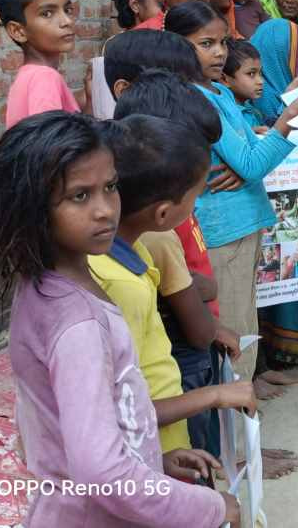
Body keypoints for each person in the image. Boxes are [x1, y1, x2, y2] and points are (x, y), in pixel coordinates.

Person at [0, 111, 236, 526]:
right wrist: (212, 507)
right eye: (80, 196)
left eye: (111, 187)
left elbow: (74, 428)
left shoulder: (45, 286)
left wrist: (152, 460)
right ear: (33, 207)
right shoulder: (77, 323)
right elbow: (103, 475)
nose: (105, 210)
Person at [164, 0, 298, 384]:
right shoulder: (195, 98)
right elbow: (252, 164)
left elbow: (247, 156)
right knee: (234, 327)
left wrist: (251, 153)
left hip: (242, 220)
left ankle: (245, 401)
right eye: (206, 44)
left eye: (222, 42)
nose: (219, 53)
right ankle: (238, 416)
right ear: (176, 44)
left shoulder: (218, 93)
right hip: (224, 227)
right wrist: (290, 115)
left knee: (244, 316)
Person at [87, 114, 256, 457]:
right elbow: (113, 410)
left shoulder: (133, 250)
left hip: (164, 441)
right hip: (148, 450)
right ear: (163, 214)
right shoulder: (117, 283)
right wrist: (214, 395)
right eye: (194, 198)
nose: (195, 207)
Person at [0, 0, 79, 127]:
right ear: (18, 31)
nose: (67, 21)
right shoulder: (45, 78)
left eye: (67, 10)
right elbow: (51, 141)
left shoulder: (28, 76)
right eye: (47, 14)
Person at [248, 18, 298, 124]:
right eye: (295, 53)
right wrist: (288, 100)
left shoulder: (294, 85)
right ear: (281, 55)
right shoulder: (260, 97)